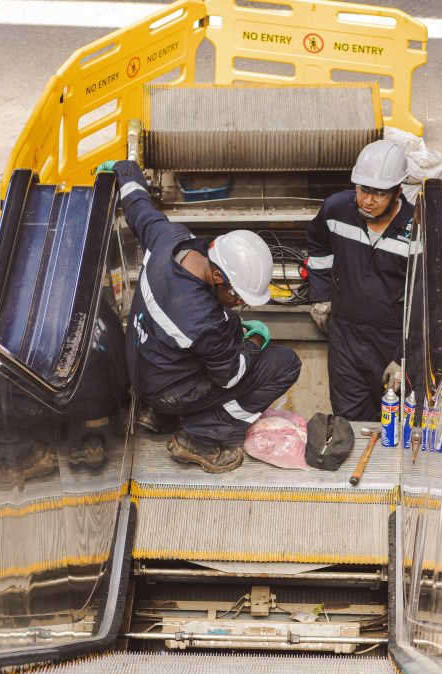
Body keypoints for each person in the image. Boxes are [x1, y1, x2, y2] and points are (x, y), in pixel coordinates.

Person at [105, 160, 301, 473]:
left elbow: (139, 208)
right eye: (238, 296)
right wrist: (253, 340)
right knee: (284, 363)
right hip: (165, 390)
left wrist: (126, 172)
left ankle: (159, 415)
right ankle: (202, 435)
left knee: (227, 333)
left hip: (144, 369)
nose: (238, 303)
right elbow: (231, 375)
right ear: (220, 276)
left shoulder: (168, 239)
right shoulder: (202, 320)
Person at [305, 139, 416, 420]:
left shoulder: (417, 230)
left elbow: (424, 299)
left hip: (390, 339)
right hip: (345, 335)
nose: (368, 200)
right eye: (363, 190)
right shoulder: (336, 210)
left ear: (397, 191)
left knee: (395, 420)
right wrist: (321, 296)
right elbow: (318, 244)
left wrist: (405, 357)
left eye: (379, 193)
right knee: (348, 418)